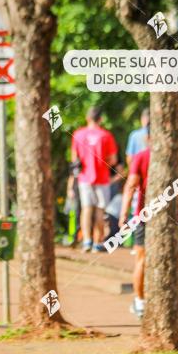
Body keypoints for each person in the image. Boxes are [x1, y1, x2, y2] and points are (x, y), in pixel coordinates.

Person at [119, 127, 178, 319]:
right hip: (172, 219)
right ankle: (168, 303)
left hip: (143, 216)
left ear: (148, 137)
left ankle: (140, 302)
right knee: (171, 260)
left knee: (141, 260)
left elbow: (130, 186)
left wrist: (124, 215)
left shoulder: (142, 157)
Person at [71, 107, 118, 252]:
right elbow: (113, 159)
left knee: (86, 209)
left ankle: (86, 241)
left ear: (87, 118)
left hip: (84, 177)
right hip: (102, 178)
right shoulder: (106, 136)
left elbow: (74, 158)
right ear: (101, 119)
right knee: (99, 210)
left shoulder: (78, 134)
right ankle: (97, 243)